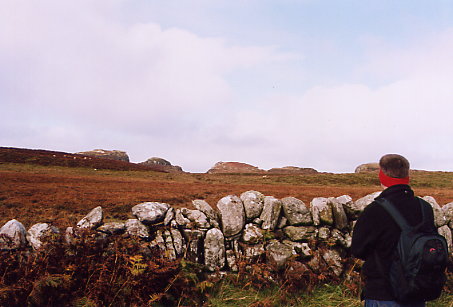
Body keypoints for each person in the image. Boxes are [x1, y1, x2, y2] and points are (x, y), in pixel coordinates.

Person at [351, 154, 437, 307]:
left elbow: (358, 250)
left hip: (382, 294)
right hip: (416, 292)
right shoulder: (425, 208)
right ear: (407, 176)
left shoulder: (374, 210)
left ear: (381, 176)